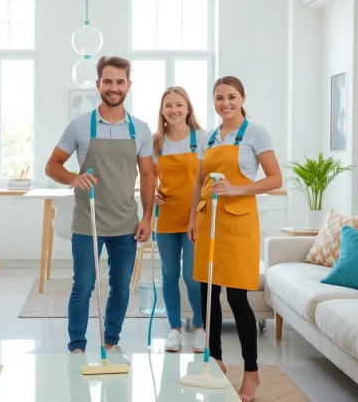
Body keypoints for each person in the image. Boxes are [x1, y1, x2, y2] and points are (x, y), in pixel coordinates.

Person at [45, 56, 155, 359]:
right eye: (108, 81)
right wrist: (72, 177)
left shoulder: (141, 130)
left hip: (126, 223)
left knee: (120, 288)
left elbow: (148, 176)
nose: (114, 87)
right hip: (88, 221)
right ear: (98, 85)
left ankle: (111, 342)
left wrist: (147, 216)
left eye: (120, 82)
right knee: (83, 286)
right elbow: (52, 166)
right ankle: (77, 347)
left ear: (129, 85)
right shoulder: (79, 126)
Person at [188, 76, 282, 402]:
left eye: (230, 97)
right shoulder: (209, 137)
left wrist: (237, 189)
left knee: (237, 298)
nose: (225, 103)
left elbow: (275, 178)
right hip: (208, 220)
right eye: (218, 98)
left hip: (239, 224)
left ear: (242, 98)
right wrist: (191, 220)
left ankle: (252, 372)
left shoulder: (255, 133)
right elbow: (199, 180)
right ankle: (214, 360)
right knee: (207, 294)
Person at [151, 86, 207, 353]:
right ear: (162, 111)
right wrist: (151, 195)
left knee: (192, 276)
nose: (174, 110)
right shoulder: (155, 143)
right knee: (169, 275)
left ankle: (199, 327)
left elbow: (212, 176)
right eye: (168, 105)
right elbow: (146, 178)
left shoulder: (204, 138)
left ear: (188, 107)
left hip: (195, 218)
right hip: (167, 218)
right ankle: (174, 330)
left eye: (179, 105)